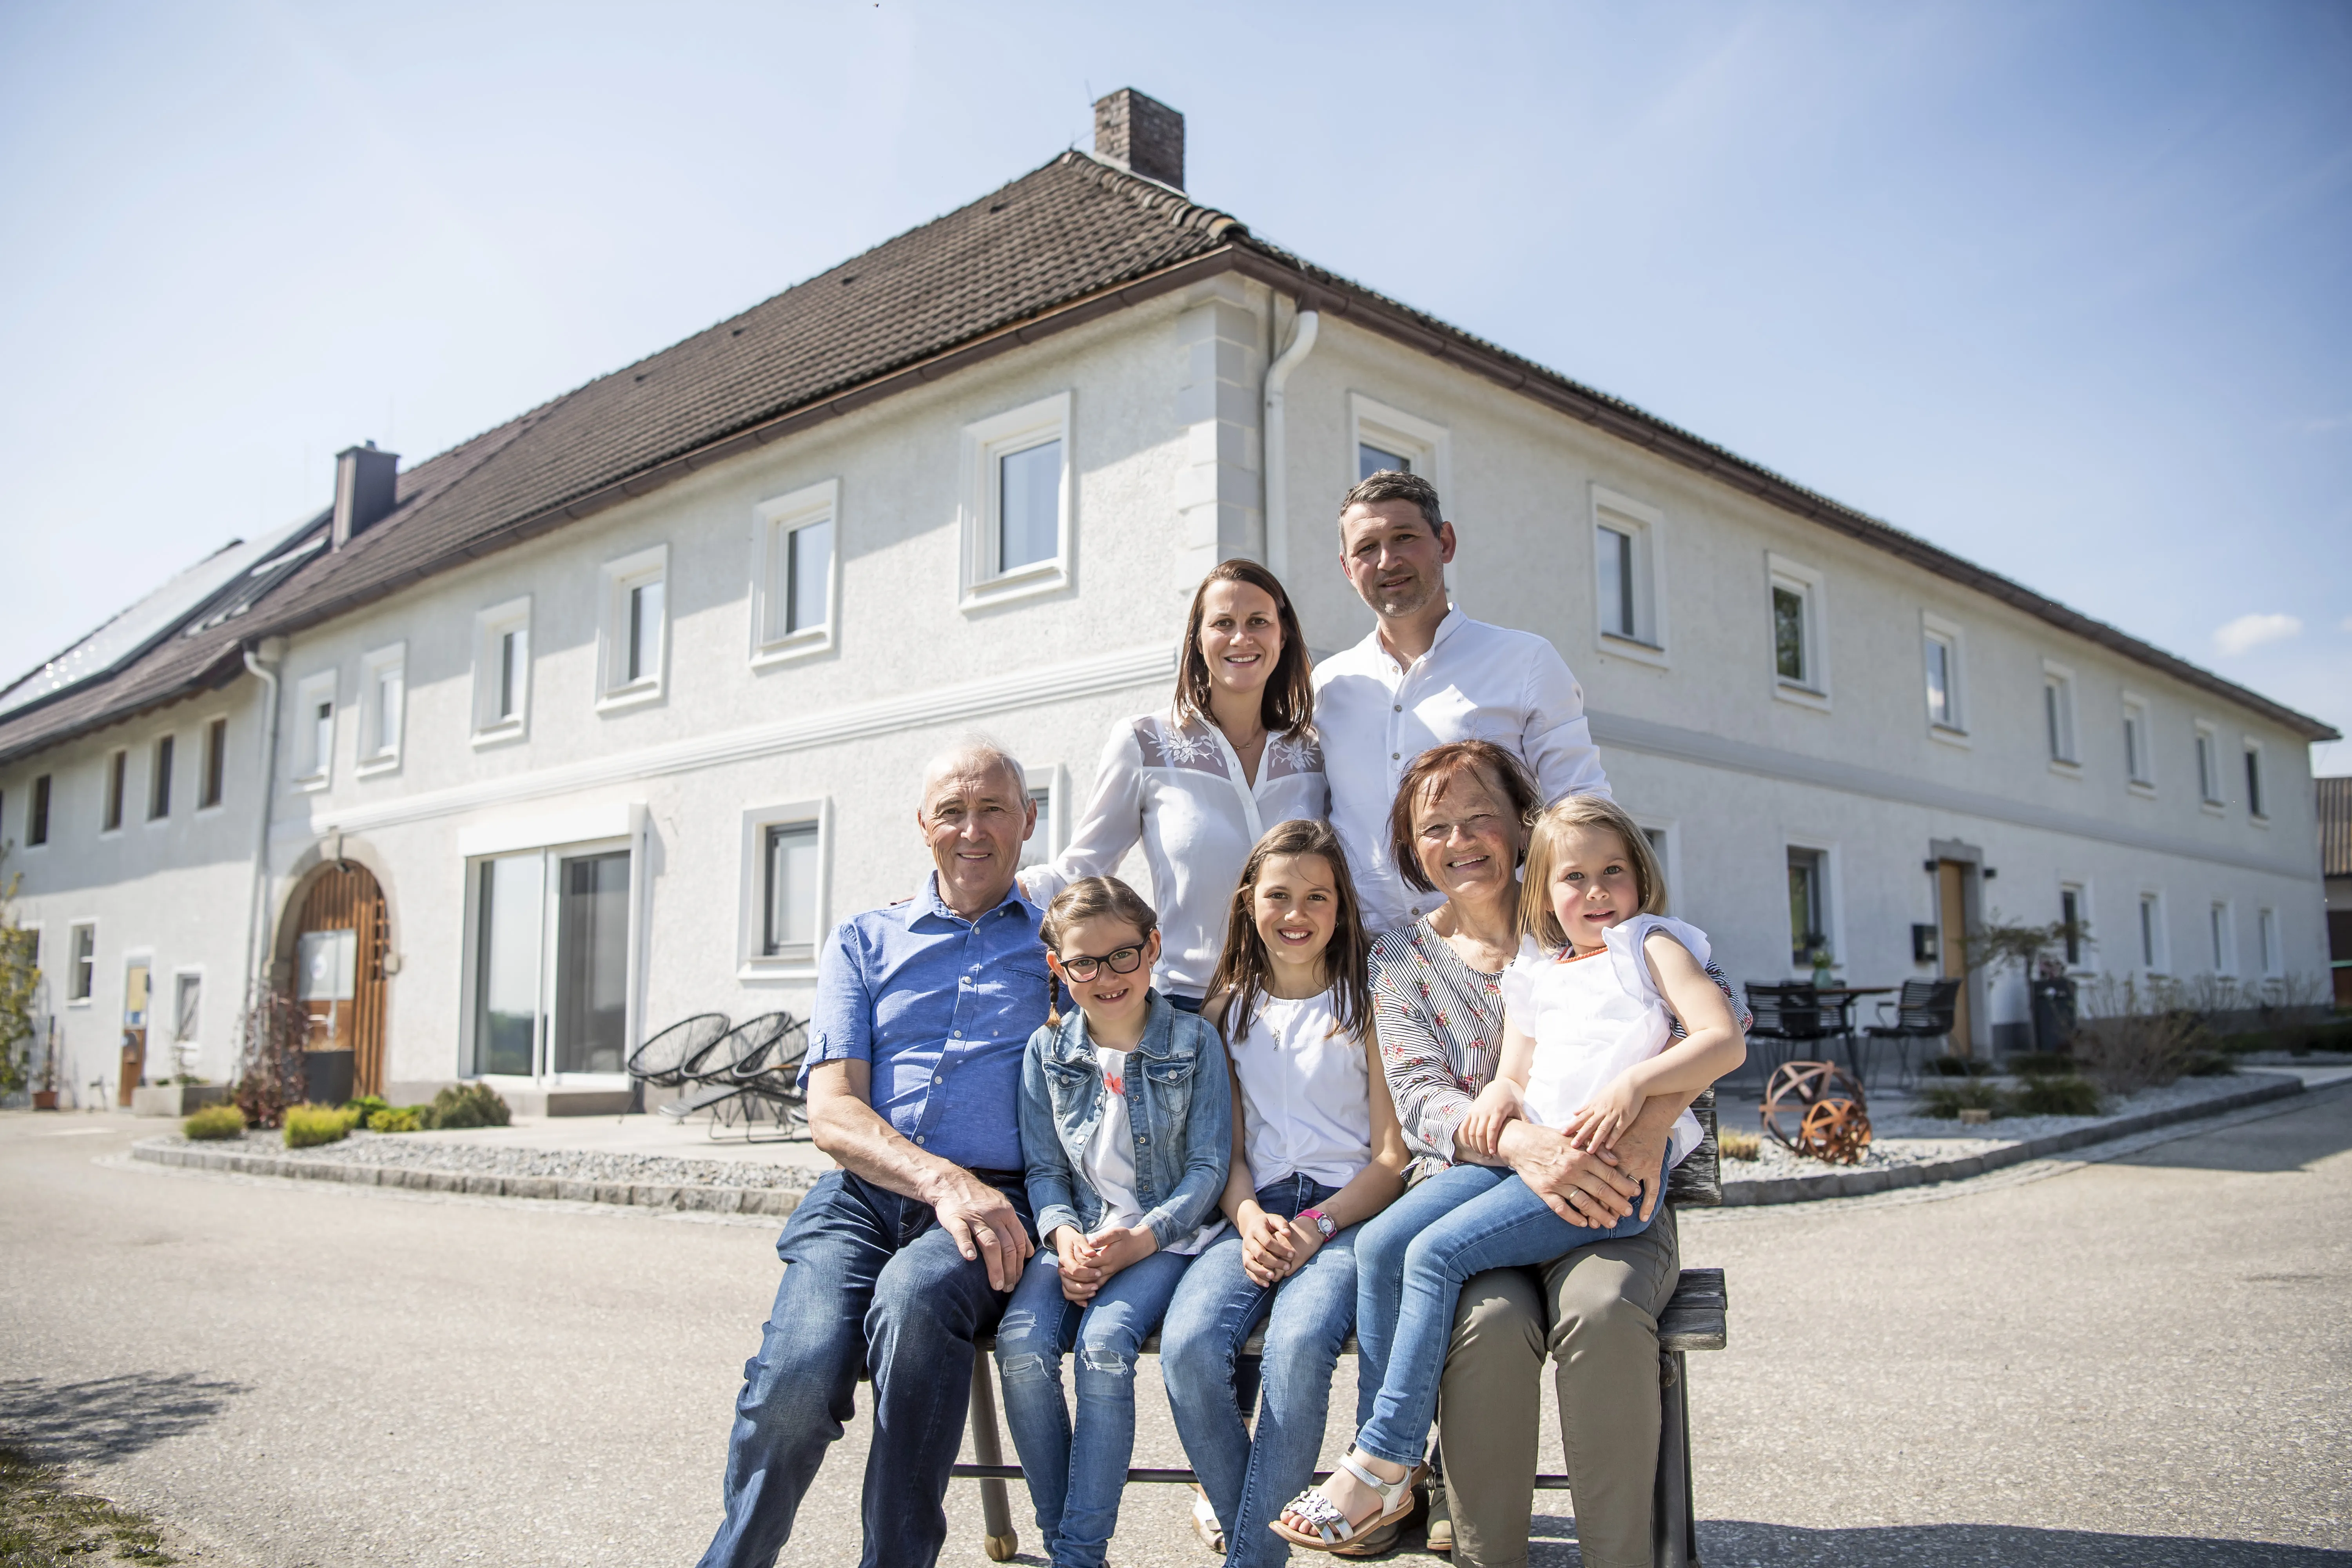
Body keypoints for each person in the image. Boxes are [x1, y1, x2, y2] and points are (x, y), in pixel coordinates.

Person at [1278, 794, 1743, 1552]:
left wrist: (1642, 1092)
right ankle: (1397, 1472)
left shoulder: (1647, 944)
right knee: (1384, 1245)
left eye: (1613, 873)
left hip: (1602, 1178)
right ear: (1545, 886)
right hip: (1520, 1167)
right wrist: (1500, 1098)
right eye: (1575, 878)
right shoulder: (1539, 962)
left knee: (1435, 1254)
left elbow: (1725, 1031)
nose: (1595, 893)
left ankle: (1385, 1458)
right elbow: (1510, 1069)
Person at [695, 737, 1047, 1568]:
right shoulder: (862, 939)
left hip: (998, 1202)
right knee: (795, 1381)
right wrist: (940, 1180)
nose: (972, 829)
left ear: (1028, 822)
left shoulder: (1062, 948)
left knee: (915, 1300)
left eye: (993, 807)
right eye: (952, 811)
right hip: (863, 1198)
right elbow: (832, 1109)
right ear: (923, 825)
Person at [1159, 819, 1409, 1567]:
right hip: (1255, 1211)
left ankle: (1252, 1557)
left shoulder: (1369, 1002)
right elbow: (1228, 1154)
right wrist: (1249, 1215)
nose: (1296, 914)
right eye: (1278, 895)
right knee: (1190, 1344)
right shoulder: (1226, 1011)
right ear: (1247, 902)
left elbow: (1393, 1158)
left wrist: (1319, 1226)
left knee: (1299, 1347)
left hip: (1346, 1213)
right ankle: (1257, 1528)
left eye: (1316, 897)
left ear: (1342, 910)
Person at [995, 876, 1232, 1568]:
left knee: (1103, 1347)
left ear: (1153, 947)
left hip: (1166, 1237)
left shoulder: (1195, 1042)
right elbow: (1045, 1172)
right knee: (1022, 1345)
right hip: (1079, 1234)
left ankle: (1079, 1554)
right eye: (1084, 964)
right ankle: (1065, 1543)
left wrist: (1142, 1239)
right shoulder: (1047, 1054)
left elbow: (1209, 1171)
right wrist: (1064, 1237)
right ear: (1057, 967)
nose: (1106, 977)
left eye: (1122, 956)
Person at [1312, 469, 1609, 935]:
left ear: (1445, 543)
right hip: (1362, 960)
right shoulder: (1328, 685)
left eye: (1405, 537)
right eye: (1367, 548)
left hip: (1504, 951)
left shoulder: (1526, 662)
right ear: (1348, 569)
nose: (1388, 560)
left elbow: (1580, 809)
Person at [1021, 559, 1326, 1011]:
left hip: (1309, 1007)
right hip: (1190, 1010)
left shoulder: (1315, 753)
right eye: (1223, 623)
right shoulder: (1144, 744)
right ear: (1198, 641)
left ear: (1282, 637)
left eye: (1258, 622)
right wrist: (982, 892)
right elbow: (1082, 866)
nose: (1241, 637)